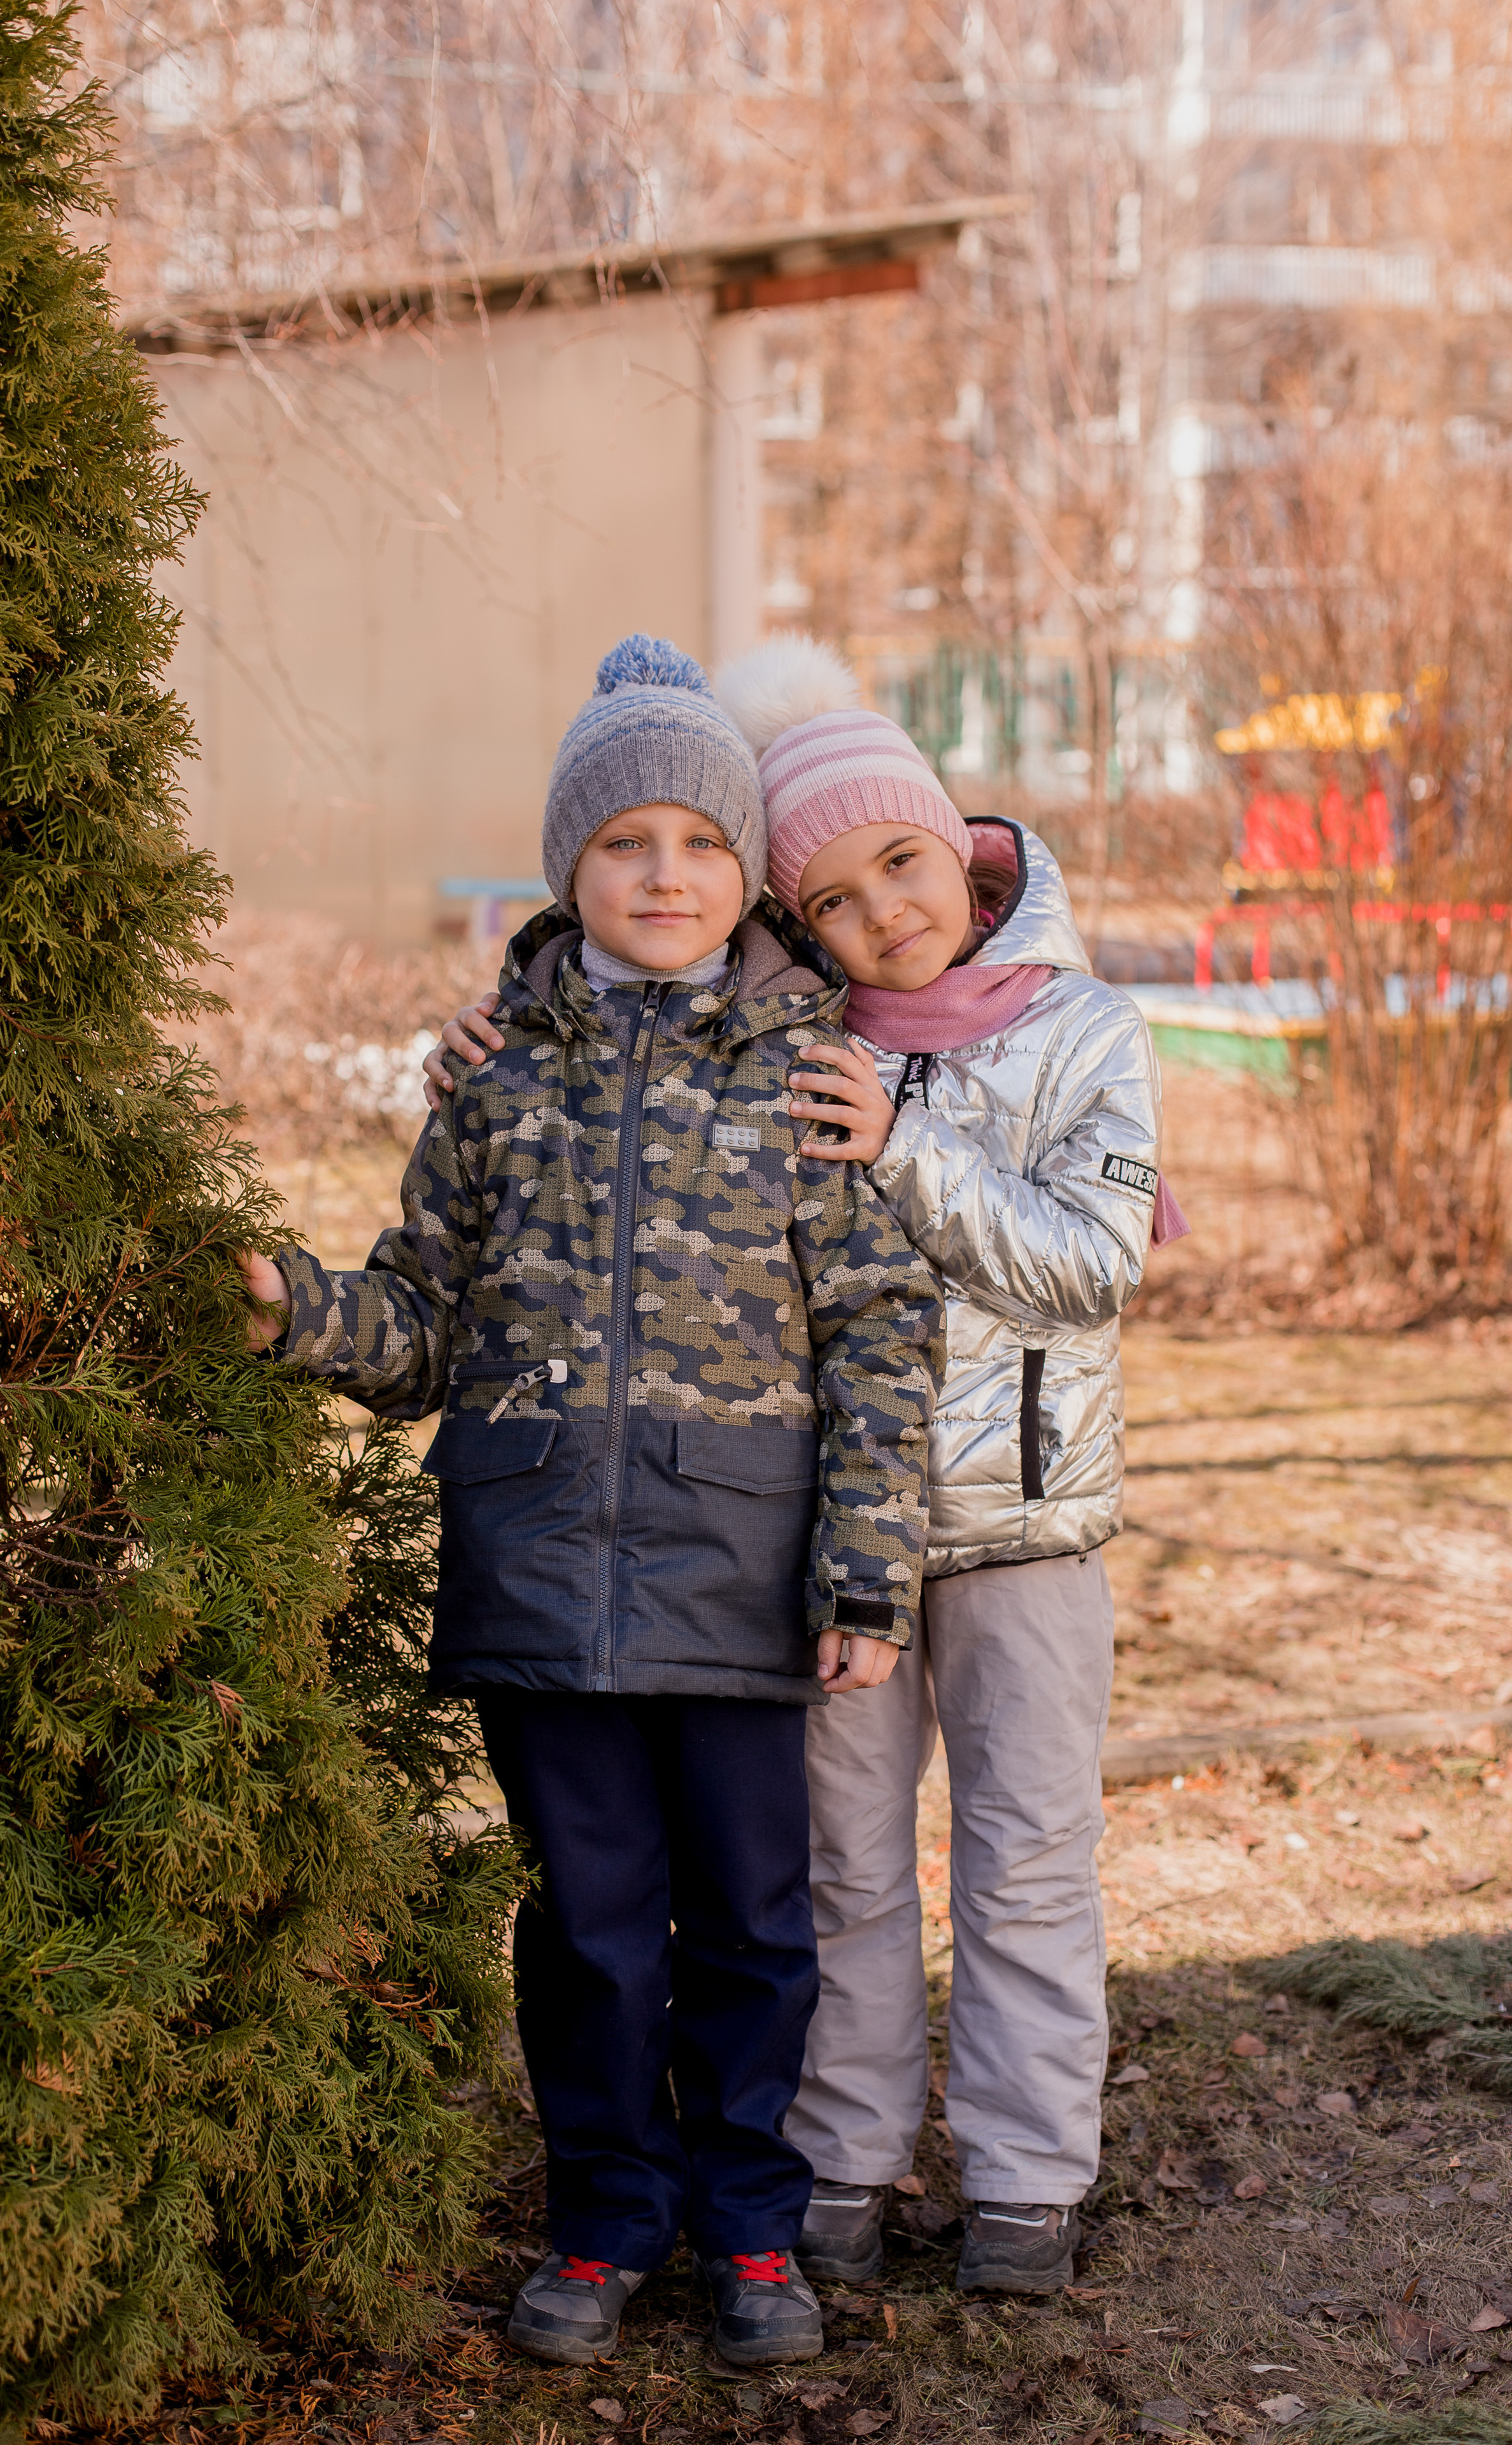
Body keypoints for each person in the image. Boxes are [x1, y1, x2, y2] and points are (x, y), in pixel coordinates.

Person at [428, 632, 1186, 2304]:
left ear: (958, 841)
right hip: (837, 1540)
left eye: (902, 867)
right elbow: (646, 999)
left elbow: (1094, 1261)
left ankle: (1027, 2173)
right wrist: (499, 1039)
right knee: (838, 1871)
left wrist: (911, 1146)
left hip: (1026, 1526)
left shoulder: (1081, 1029)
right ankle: (837, 2163)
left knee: (1026, 1859)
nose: (884, 917)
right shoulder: (803, 1024)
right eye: (834, 899)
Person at [239, 636, 942, 2369]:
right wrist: (292, 1311)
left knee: (757, 1927)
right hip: (543, 1573)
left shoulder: (803, 1070)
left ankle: (754, 2232)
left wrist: (864, 1579)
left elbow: (878, 1327)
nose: (666, 876)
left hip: (741, 1578)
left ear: (741, 872)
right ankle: (608, 2217)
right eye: (626, 844)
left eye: (701, 844)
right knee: (596, 1930)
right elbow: (421, 1323)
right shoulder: (494, 1082)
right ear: (570, 868)